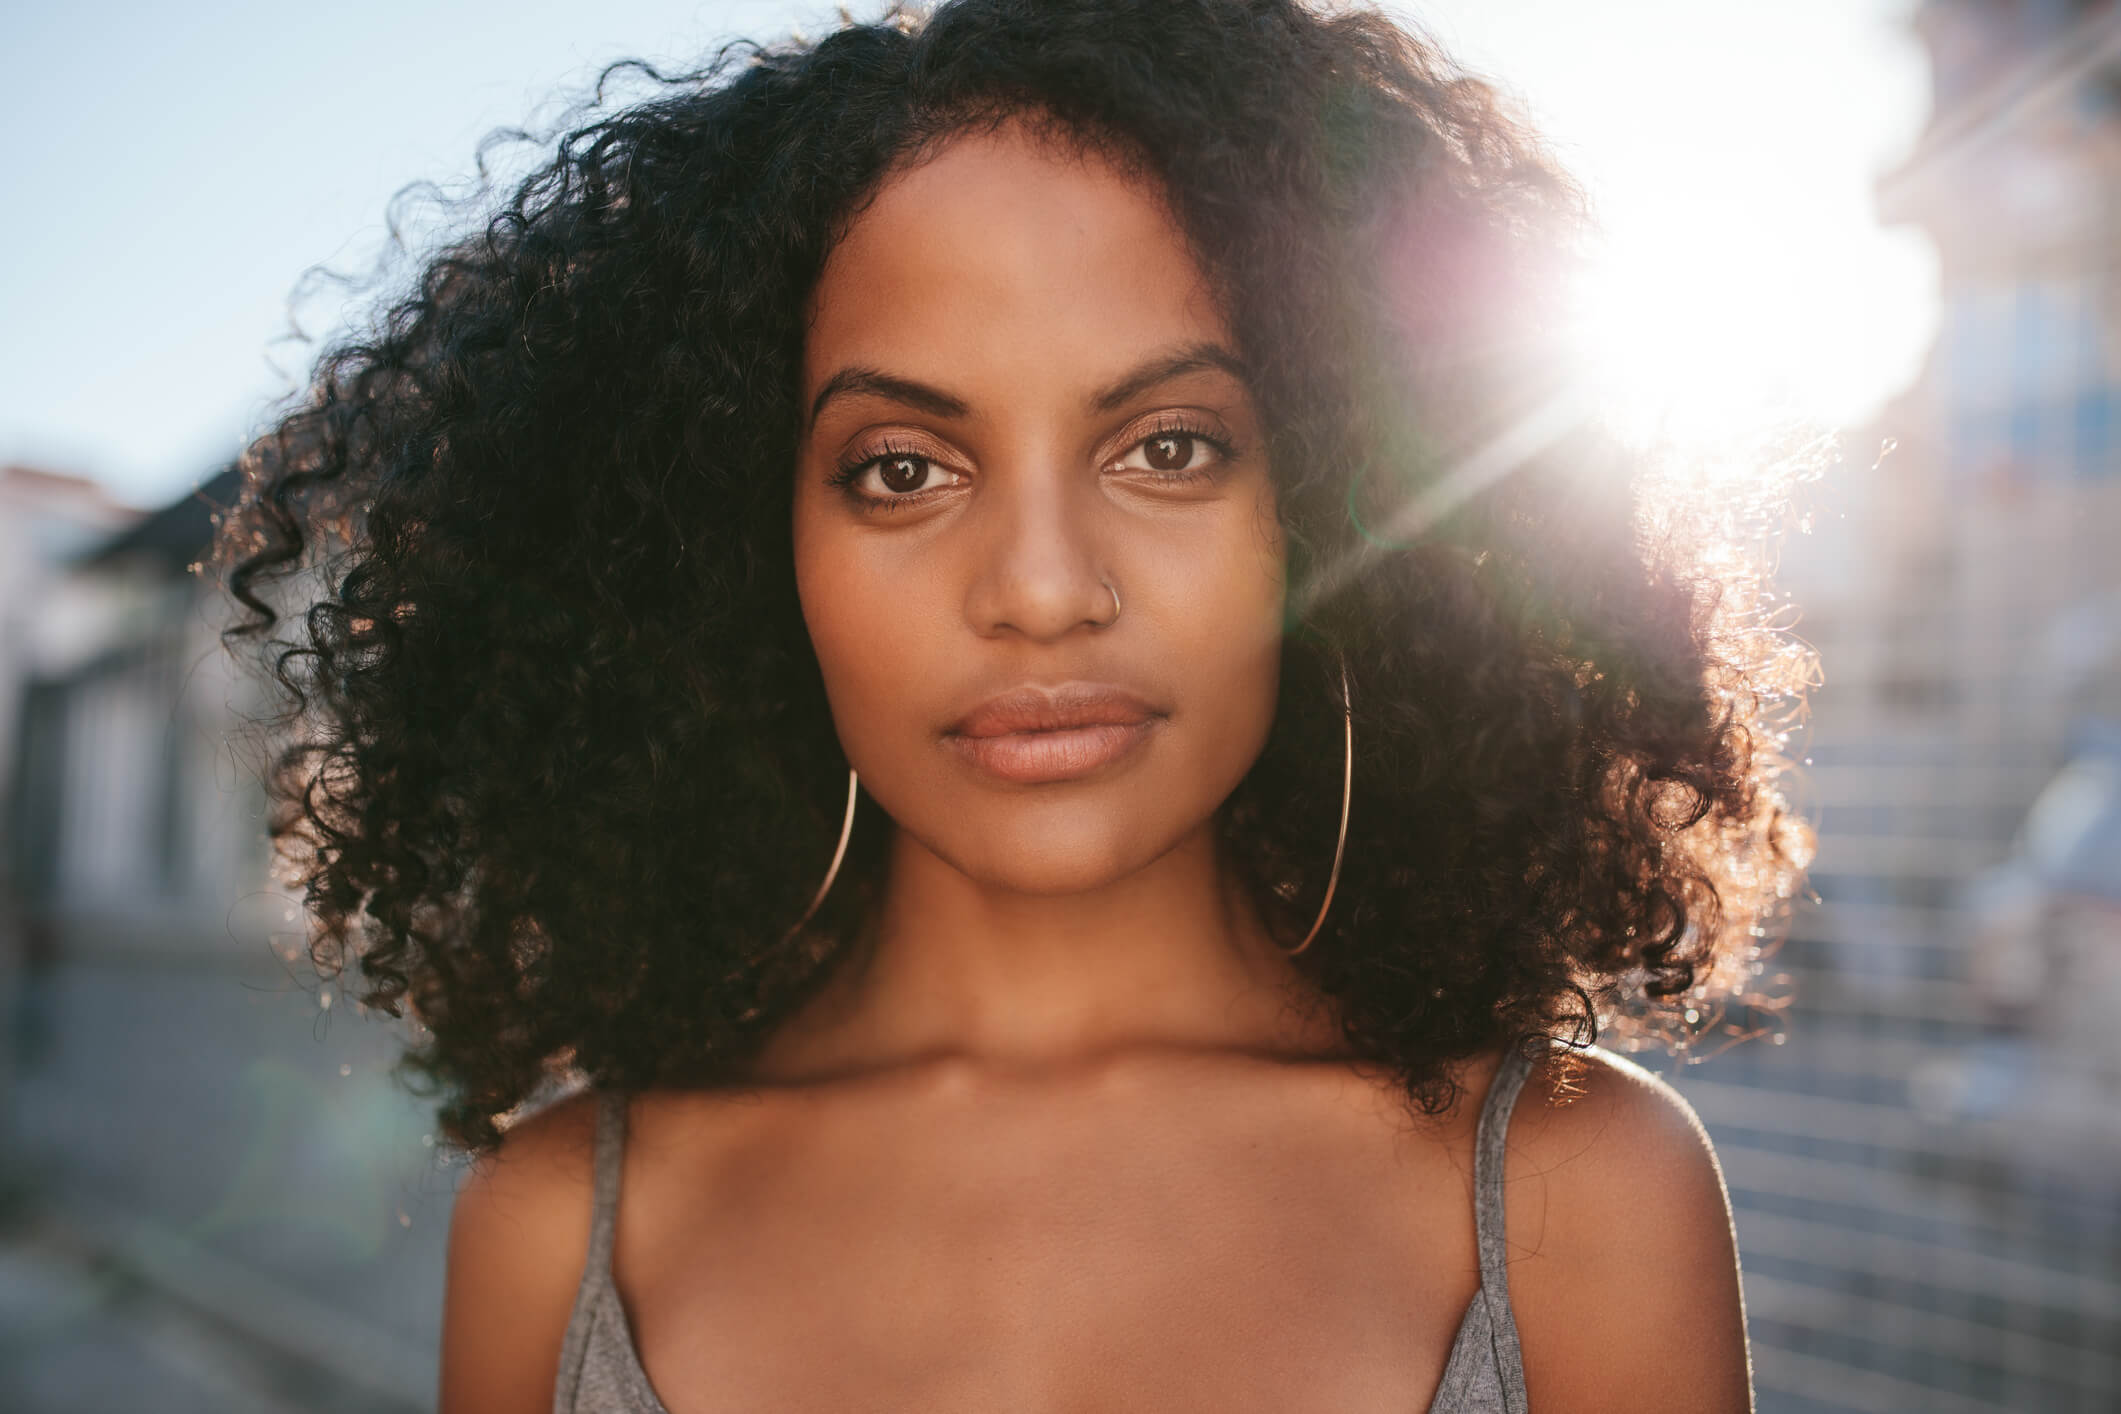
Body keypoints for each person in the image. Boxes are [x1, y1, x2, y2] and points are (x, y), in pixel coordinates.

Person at [210, 0, 1813, 1409]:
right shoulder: (558, 1238)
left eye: (1169, 445)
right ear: (739, 550)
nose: (1041, 586)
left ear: (1337, 507)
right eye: (902, 470)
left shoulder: (1574, 1203)